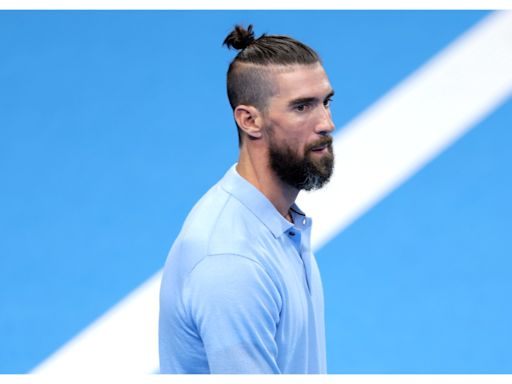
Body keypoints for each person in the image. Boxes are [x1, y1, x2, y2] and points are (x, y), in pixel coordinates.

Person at [159, 24, 335, 374]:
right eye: (302, 107)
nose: (326, 123)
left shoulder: (281, 223)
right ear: (250, 120)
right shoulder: (232, 262)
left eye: (326, 102)